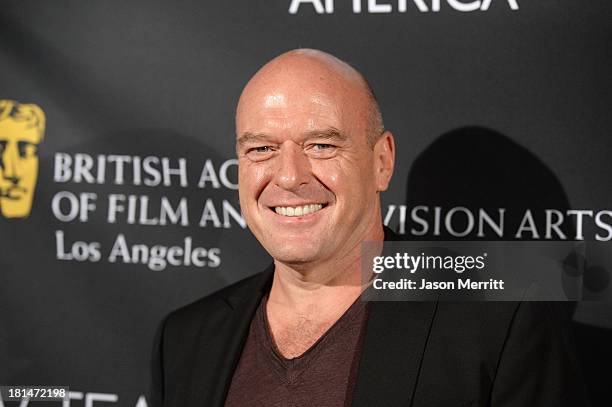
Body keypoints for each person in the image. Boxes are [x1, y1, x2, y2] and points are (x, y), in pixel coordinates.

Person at [151, 49, 588, 406]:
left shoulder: (499, 312)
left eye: (321, 145)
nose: (288, 176)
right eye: (261, 149)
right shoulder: (186, 338)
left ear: (382, 161)